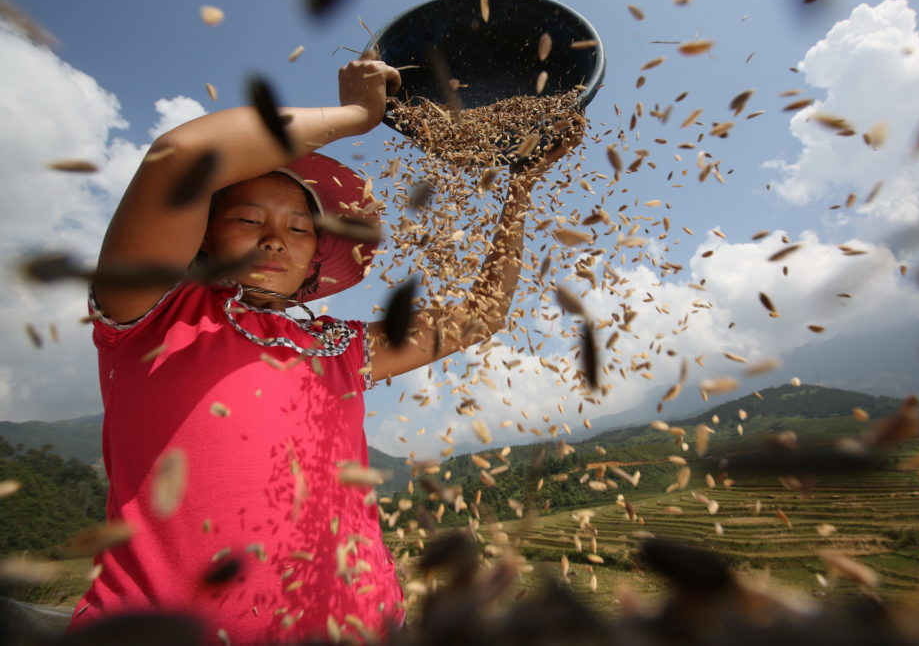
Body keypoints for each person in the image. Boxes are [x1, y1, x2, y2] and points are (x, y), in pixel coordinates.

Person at [67, 59, 581, 644]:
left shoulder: (336, 346)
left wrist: (520, 188)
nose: (272, 239)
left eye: (298, 228)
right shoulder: (154, 318)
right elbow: (178, 158)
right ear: (203, 237)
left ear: (316, 256)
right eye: (245, 218)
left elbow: (481, 315)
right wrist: (356, 116)